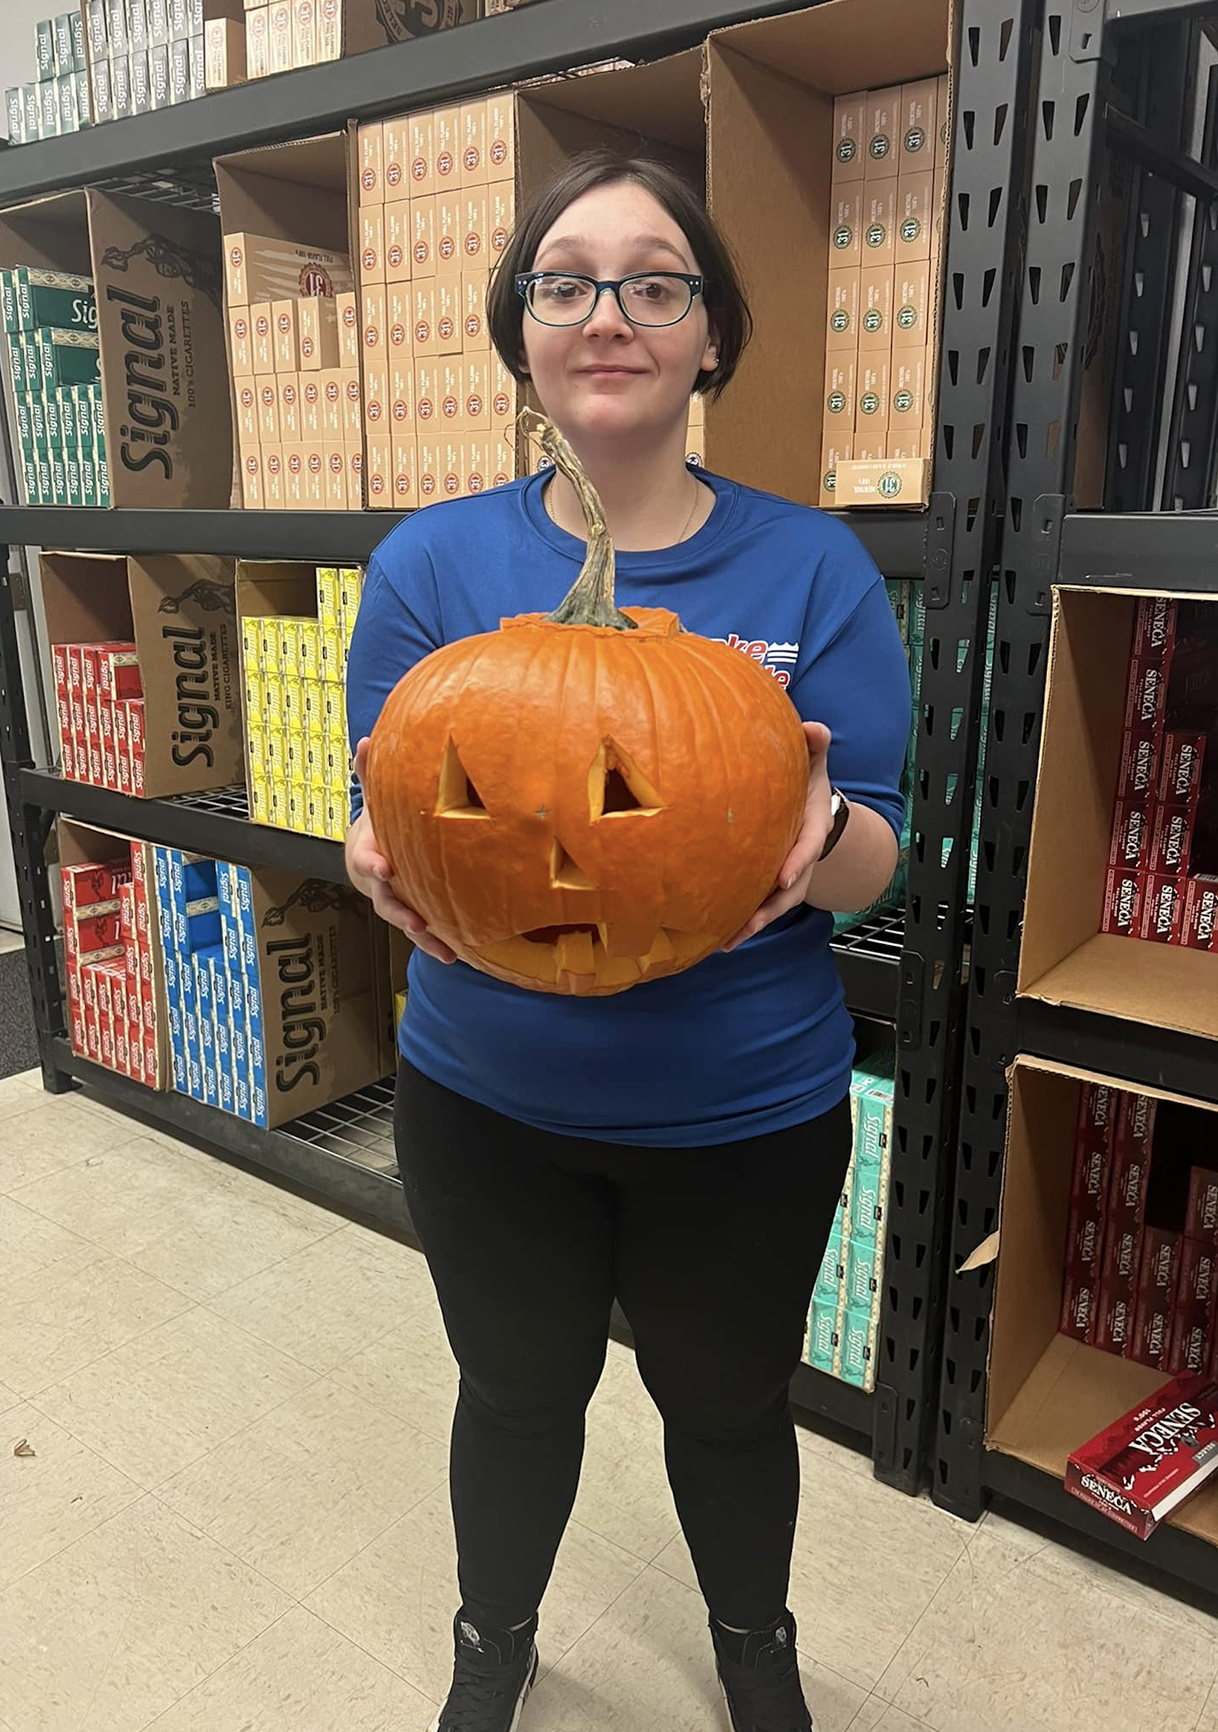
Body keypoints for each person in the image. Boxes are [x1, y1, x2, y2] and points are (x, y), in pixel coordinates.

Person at [345, 149, 910, 1732]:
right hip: (488, 1101)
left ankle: (753, 1650)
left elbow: (877, 859)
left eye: (653, 280)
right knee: (516, 1393)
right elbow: (389, 803)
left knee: (729, 1412)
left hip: (742, 1110)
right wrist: (362, 855)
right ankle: (491, 1640)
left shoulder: (814, 569)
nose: (609, 311)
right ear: (519, 328)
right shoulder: (432, 568)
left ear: (710, 333)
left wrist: (817, 850)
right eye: (566, 279)